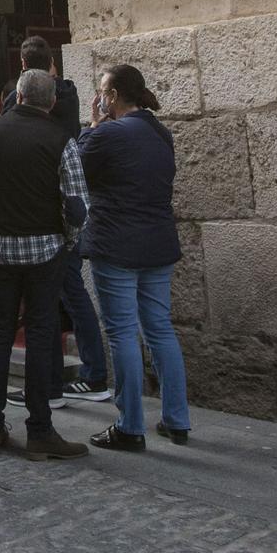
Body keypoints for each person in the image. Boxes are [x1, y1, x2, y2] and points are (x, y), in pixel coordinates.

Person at [0, 69, 90, 462]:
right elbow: (77, 206)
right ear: (50, 102)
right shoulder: (59, 139)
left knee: (0, 335)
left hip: (0, 250)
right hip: (44, 251)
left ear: (16, 96)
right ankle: (40, 429)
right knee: (39, 334)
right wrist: (65, 238)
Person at [80, 64, 191, 453]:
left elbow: (79, 166)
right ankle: (176, 418)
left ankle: (130, 425)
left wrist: (92, 125)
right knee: (159, 327)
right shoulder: (160, 131)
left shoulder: (109, 133)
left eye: (101, 92)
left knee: (123, 332)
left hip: (117, 244)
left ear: (111, 96)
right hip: (157, 242)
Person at [0, 38, 110, 409]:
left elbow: (14, 115)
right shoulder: (70, 94)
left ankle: (75, 380)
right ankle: (67, 379)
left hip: (40, 218)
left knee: (58, 298)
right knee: (66, 295)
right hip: (64, 214)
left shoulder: (21, 102)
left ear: (24, 64)